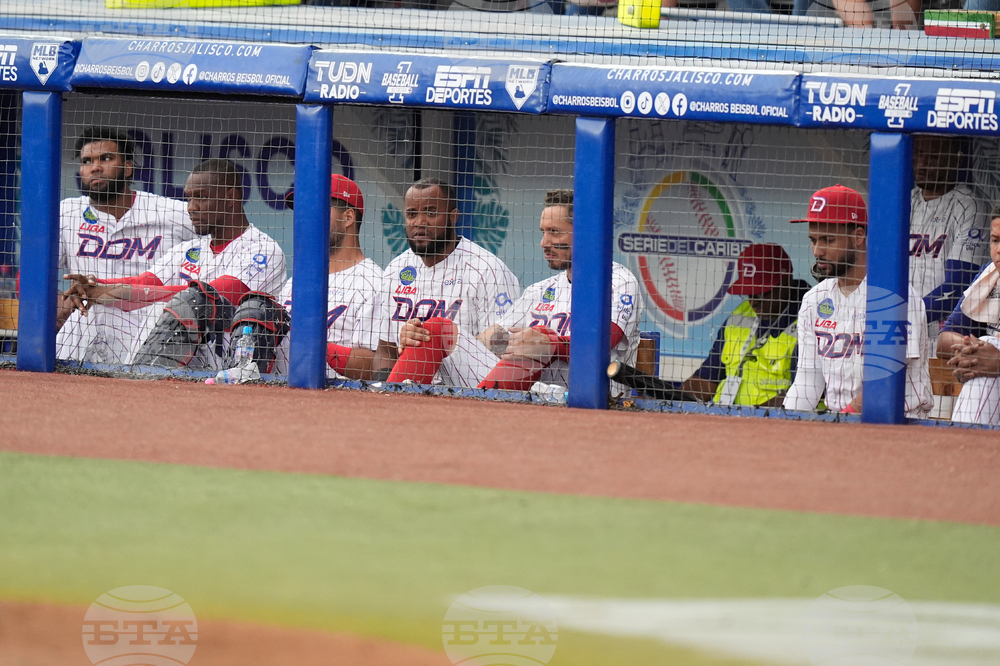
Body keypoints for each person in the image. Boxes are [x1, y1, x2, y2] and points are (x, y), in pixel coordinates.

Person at [388, 189, 642, 396]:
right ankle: (392, 409)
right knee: (435, 330)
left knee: (540, 335)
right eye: (543, 232)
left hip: (588, 397)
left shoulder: (617, 280)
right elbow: (495, 338)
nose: (544, 243)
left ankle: (468, 418)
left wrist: (550, 344)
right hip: (530, 391)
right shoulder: (540, 291)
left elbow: (602, 344)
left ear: (587, 234)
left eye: (554, 232)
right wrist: (430, 342)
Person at [62, 159, 286, 370]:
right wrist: (96, 287)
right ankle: (57, 382)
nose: (191, 207)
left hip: (229, 357)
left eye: (200, 197)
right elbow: (144, 282)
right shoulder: (189, 249)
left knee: (171, 305)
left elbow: (205, 298)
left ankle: (139, 381)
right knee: (95, 309)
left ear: (230, 198)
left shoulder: (263, 249)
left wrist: (115, 290)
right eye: (189, 198)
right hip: (180, 347)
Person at [783, 184, 933, 417]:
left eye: (828, 240)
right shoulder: (814, 299)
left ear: (858, 237)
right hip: (841, 422)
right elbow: (807, 380)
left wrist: (839, 424)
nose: (817, 251)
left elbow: (884, 386)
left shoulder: (894, 296)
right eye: (813, 240)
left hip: (898, 426)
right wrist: (786, 424)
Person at [56, 126, 196, 356]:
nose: (95, 168)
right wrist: (53, 303)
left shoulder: (172, 213)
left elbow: (222, 243)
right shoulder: (66, 213)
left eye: (106, 158)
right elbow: (33, 273)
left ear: (128, 168)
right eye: (87, 161)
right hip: (88, 322)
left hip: (154, 326)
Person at [374, 177, 521, 387]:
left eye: (431, 212)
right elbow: (385, 350)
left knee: (434, 331)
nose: (419, 222)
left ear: (453, 217)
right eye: (412, 214)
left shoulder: (488, 270)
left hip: (472, 391)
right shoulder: (395, 270)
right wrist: (384, 383)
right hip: (414, 386)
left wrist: (436, 341)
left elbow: (503, 349)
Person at [273, 174, 386, 380]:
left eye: (315, 209)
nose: (306, 219)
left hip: (338, 402)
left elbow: (375, 365)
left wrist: (315, 345)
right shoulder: (296, 281)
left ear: (348, 218)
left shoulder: (374, 283)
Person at [674, 243, 809, 407]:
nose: (754, 302)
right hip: (725, 418)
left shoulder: (810, 319)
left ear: (787, 281)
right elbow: (707, 378)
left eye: (763, 292)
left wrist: (750, 418)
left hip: (780, 424)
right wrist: (671, 403)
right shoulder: (739, 315)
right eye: (749, 293)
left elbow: (804, 394)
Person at [909, 134, 990, 353]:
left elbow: (958, 285)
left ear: (956, 159)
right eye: (918, 154)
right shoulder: (904, 203)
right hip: (899, 332)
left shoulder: (970, 206)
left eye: (933, 156)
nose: (923, 163)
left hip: (943, 335)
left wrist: (904, 315)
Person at [935, 211, 1000, 425]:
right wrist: (976, 353)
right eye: (995, 240)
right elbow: (944, 341)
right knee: (986, 348)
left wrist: (996, 359)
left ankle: (962, 444)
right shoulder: (989, 275)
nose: (998, 250)